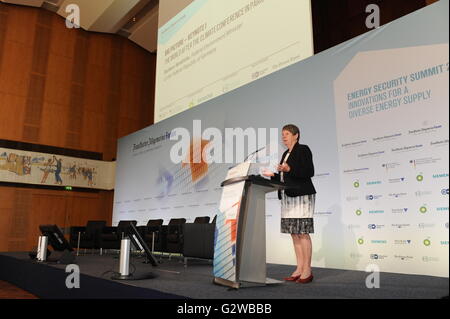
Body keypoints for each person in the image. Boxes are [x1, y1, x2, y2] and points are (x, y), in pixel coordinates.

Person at [263, 124, 316, 284]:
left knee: (302, 232)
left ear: (296, 135)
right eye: (282, 134)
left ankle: (307, 269)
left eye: (286, 134)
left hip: (302, 195)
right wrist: (273, 175)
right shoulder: (286, 153)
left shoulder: (303, 149)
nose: (283, 137)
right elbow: (285, 177)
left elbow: (308, 172)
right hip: (288, 196)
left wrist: (289, 169)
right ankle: (299, 268)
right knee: (294, 233)